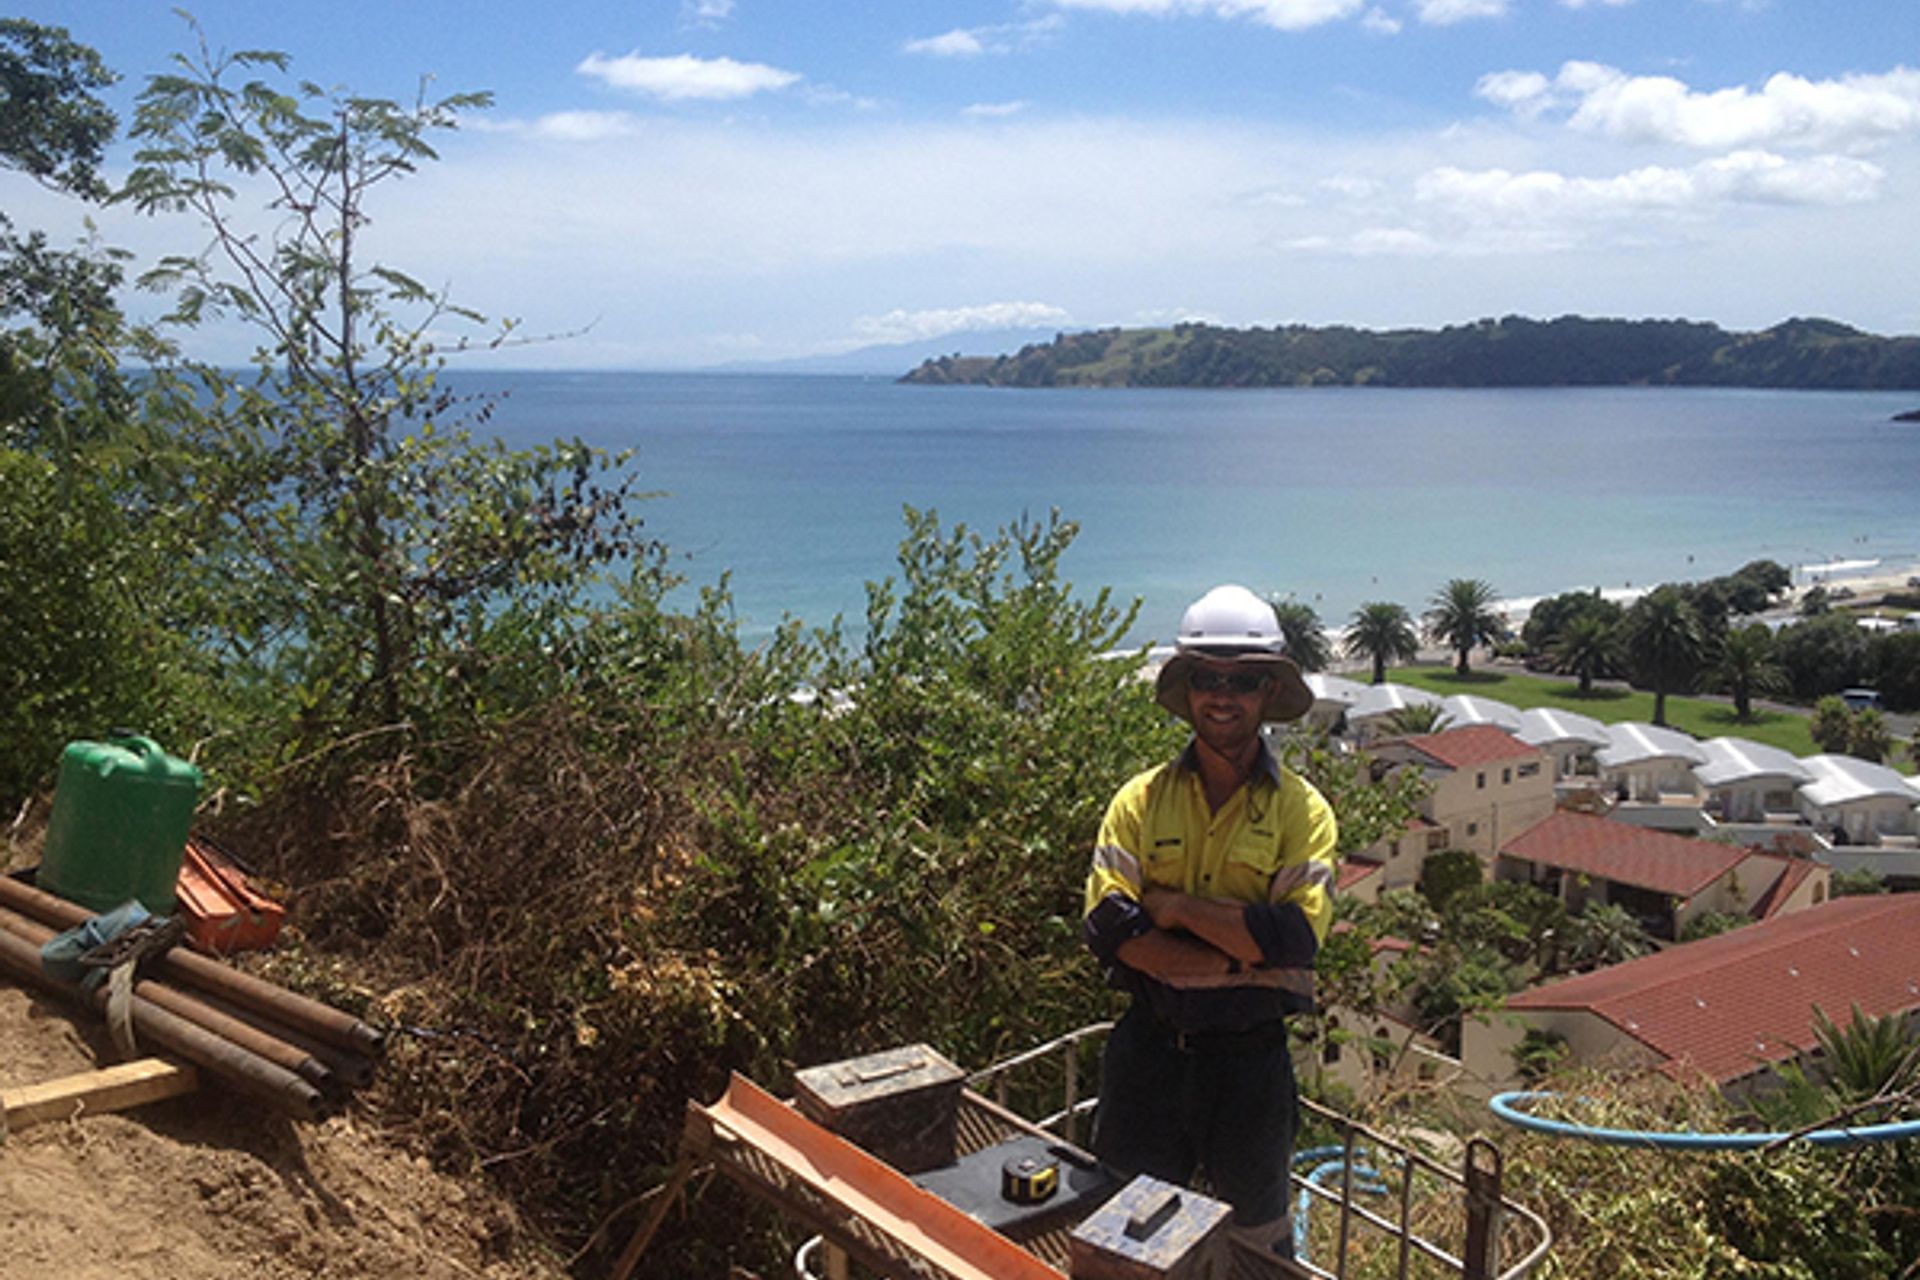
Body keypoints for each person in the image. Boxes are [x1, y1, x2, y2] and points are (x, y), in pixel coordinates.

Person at [1082, 583, 1338, 1261]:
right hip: (1147, 1057)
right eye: (1207, 677)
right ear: (1187, 686)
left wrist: (1172, 908)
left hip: (1250, 1069)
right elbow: (1110, 935)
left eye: (1243, 679)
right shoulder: (1138, 802)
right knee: (1123, 1241)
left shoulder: (1303, 814)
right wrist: (1241, 957)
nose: (1222, 694)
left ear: (1268, 693)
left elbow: (1297, 941)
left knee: (1255, 1247)